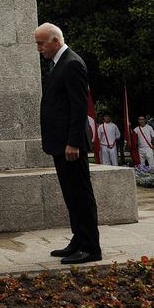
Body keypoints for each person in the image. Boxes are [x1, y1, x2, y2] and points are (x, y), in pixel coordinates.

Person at [35, 22, 101, 264]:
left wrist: (73, 142)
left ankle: (91, 247)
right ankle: (79, 239)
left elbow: (79, 106)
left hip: (71, 145)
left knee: (81, 195)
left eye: (41, 43)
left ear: (55, 41)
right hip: (60, 143)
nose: (39, 48)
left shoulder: (72, 63)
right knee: (71, 195)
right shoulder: (58, 63)